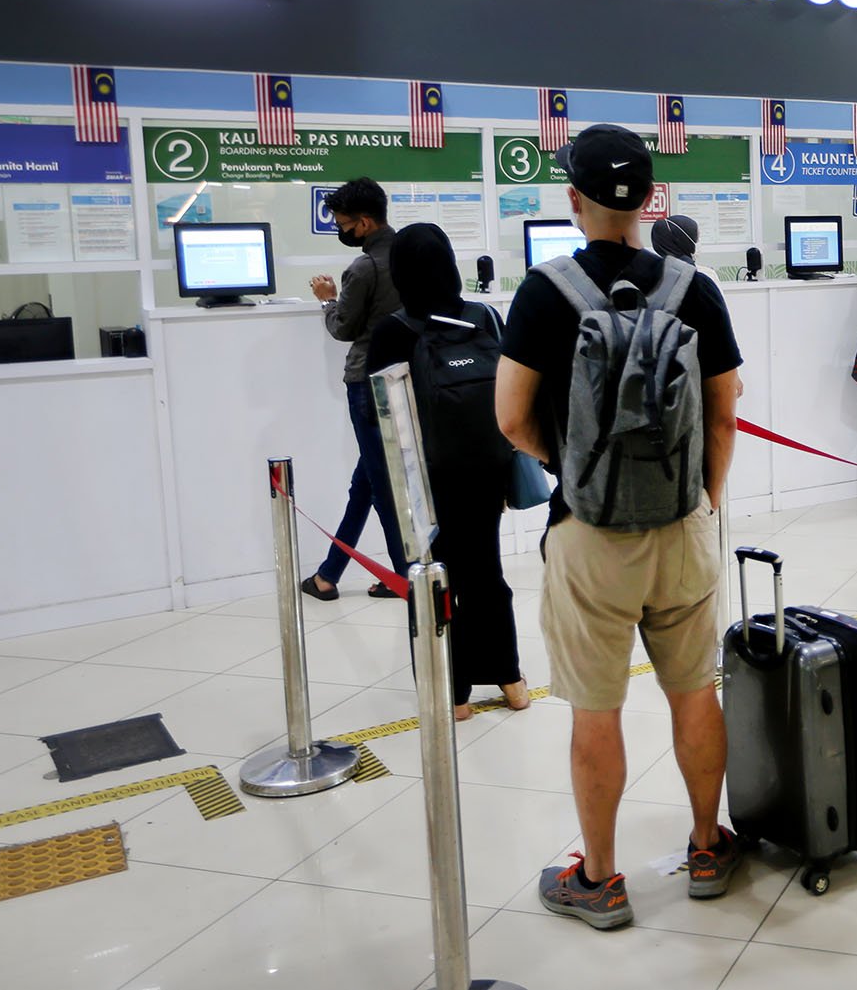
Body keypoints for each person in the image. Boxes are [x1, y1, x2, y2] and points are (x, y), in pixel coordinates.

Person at [496, 124, 744, 930]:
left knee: (594, 710)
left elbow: (509, 418)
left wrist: (573, 468)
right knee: (694, 691)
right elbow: (724, 412)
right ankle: (708, 845)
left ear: (575, 201)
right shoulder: (692, 287)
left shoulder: (544, 291)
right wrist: (700, 496)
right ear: (648, 201)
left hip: (589, 534)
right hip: (682, 527)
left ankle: (599, 878)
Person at [368, 223, 529, 722]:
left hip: (427, 483)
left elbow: (383, 424)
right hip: (485, 471)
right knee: (487, 574)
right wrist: (507, 473)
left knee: (435, 581)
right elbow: (507, 399)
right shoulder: (483, 317)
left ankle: (452, 694)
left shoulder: (394, 331)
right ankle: (512, 681)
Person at [301, 178, 408, 600]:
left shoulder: (363, 268)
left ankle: (407, 579)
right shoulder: (411, 253)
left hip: (367, 383)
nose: (341, 231)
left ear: (363, 223)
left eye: (344, 224)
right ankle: (329, 574)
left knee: (381, 485)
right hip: (404, 378)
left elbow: (343, 327)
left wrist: (328, 300)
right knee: (367, 480)